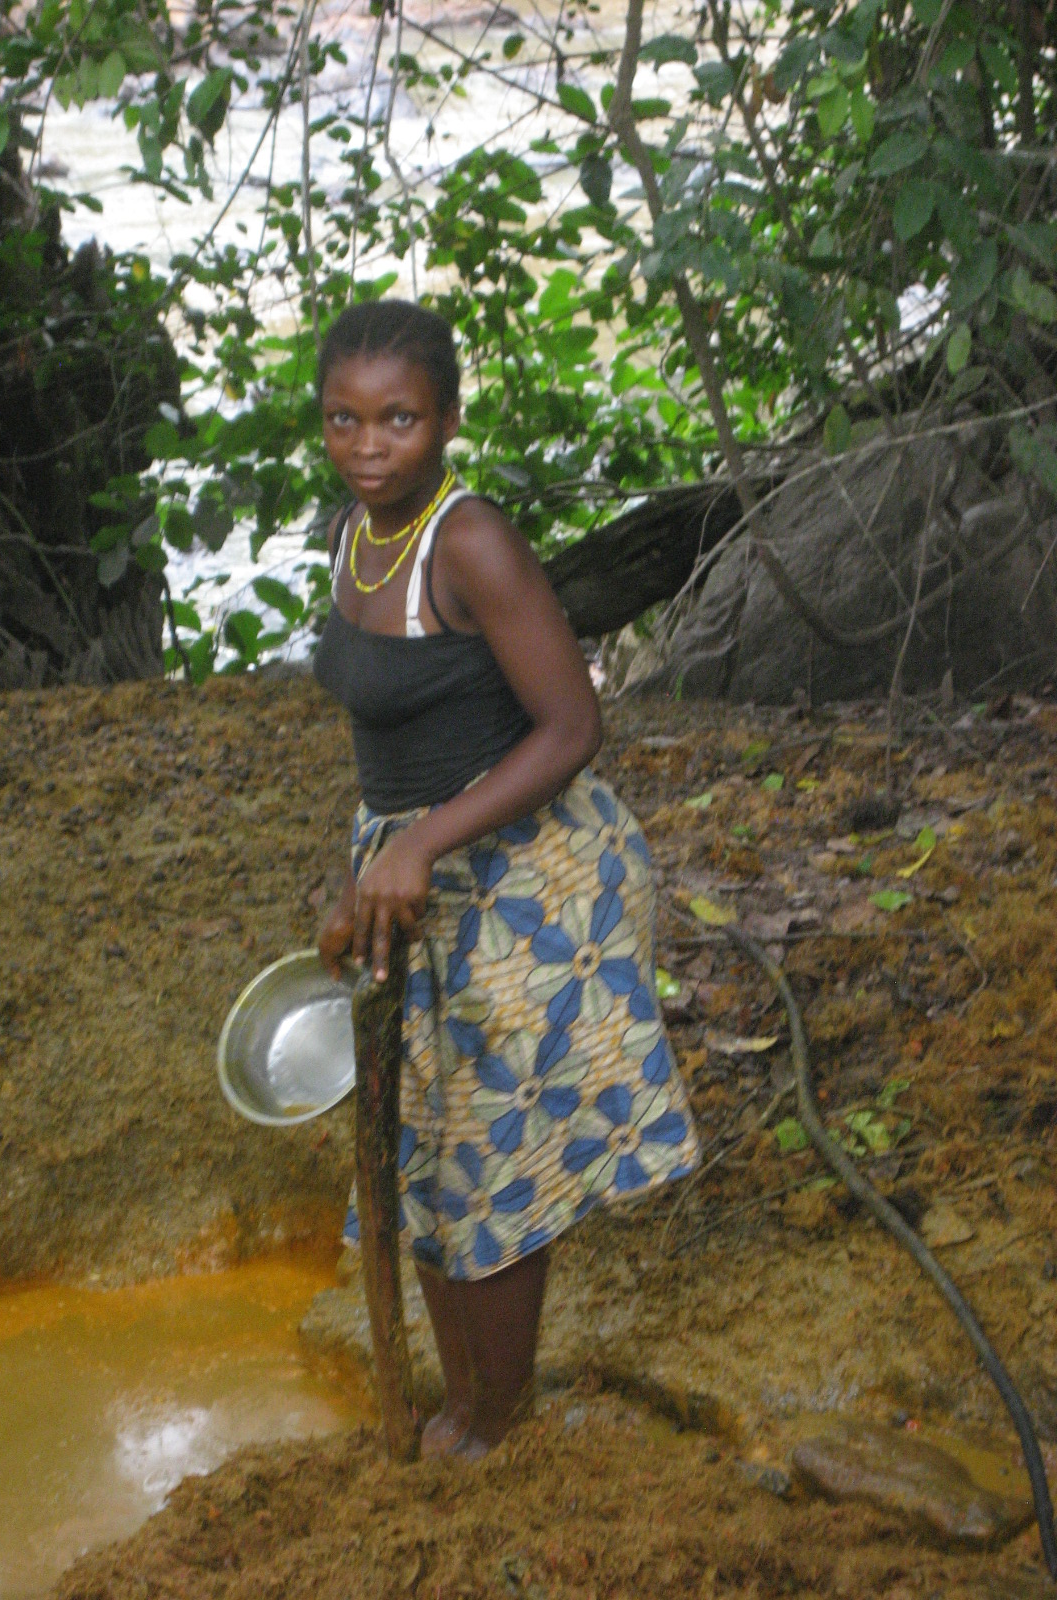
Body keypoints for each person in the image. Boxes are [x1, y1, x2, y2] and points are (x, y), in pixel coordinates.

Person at [312, 299, 698, 1459]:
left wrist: (422, 845)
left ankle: (495, 1417)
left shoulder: (467, 540)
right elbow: (389, 737)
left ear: (447, 422)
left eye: (398, 420)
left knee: (496, 1163)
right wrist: (371, 867)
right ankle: (467, 1399)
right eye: (344, 418)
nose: (369, 445)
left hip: (529, 873)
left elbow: (573, 725)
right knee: (423, 1145)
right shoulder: (349, 530)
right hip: (412, 869)